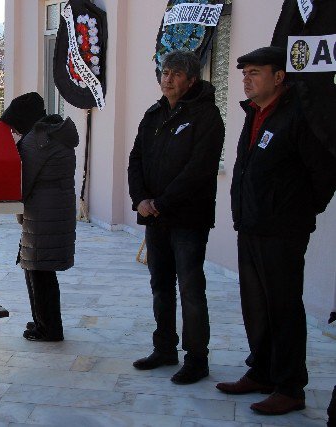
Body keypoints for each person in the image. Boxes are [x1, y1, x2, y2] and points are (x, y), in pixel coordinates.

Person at [216, 46, 336, 415]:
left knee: (283, 306)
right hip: (251, 225)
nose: (246, 80)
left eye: (255, 72)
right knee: (256, 305)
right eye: (244, 73)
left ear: (278, 76)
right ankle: (262, 371)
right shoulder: (255, 113)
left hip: (282, 229)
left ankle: (289, 386)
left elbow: (323, 174)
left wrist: (295, 211)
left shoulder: (297, 115)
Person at [127, 50, 224, 384]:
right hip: (155, 217)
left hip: (187, 219)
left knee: (191, 289)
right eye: (164, 72)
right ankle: (164, 348)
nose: (167, 79)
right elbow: (135, 159)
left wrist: (163, 203)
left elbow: (198, 170)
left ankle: (197, 359)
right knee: (160, 285)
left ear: (192, 80)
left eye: (176, 74)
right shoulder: (153, 114)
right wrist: (140, 199)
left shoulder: (207, 116)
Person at [0, 92, 79, 342]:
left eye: (14, 125)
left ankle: (49, 328)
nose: (14, 131)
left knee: (39, 271)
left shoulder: (36, 141)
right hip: (55, 209)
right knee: (39, 269)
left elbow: (23, 182)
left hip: (44, 213)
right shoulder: (54, 133)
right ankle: (43, 321)